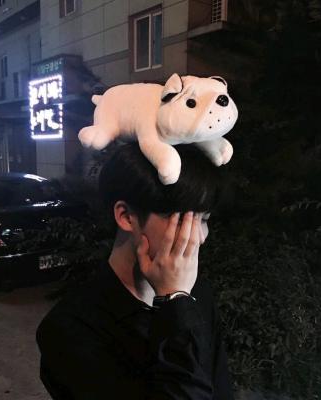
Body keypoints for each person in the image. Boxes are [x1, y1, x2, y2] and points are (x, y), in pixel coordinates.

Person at [36, 143, 234, 400]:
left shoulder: (196, 295)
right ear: (126, 216)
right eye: (182, 220)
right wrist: (173, 302)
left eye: (204, 219)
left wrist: (179, 300)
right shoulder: (70, 328)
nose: (197, 237)